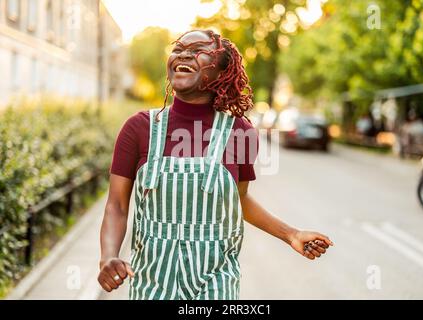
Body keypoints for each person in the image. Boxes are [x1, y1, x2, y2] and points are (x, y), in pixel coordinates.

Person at [98, 29, 334, 300]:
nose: (183, 54)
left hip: (215, 285)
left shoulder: (240, 133)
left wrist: (291, 234)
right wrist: (108, 256)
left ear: (221, 73)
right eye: (178, 48)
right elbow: (116, 205)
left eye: (198, 49)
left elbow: (239, 200)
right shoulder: (139, 128)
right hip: (152, 285)